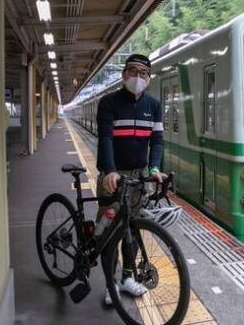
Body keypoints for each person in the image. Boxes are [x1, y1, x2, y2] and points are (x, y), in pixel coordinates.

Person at [95, 53, 164, 305]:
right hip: (112, 177)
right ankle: (111, 284)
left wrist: (155, 169)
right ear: (124, 74)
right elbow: (105, 139)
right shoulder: (108, 103)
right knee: (108, 234)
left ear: (149, 77)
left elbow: (156, 141)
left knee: (132, 231)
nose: (137, 77)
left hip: (138, 178)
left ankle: (126, 278)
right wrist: (110, 170)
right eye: (132, 71)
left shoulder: (154, 106)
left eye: (142, 73)